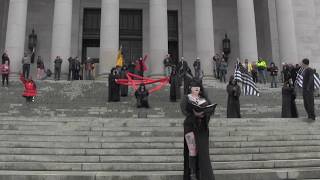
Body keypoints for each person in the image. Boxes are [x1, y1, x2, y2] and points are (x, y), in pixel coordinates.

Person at [180, 80, 216, 180]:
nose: (196, 88)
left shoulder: (204, 99)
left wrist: (204, 114)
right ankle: (192, 174)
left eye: (198, 86)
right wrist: (194, 114)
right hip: (190, 126)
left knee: (203, 152)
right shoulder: (186, 98)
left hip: (202, 128)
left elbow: (210, 111)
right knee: (192, 150)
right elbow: (184, 111)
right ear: (190, 88)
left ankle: (203, 174)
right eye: (193, 86)